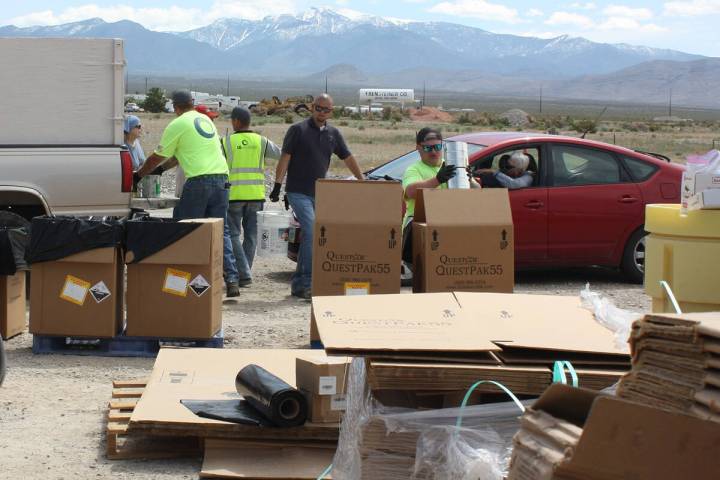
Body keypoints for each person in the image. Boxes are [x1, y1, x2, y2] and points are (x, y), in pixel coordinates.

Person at [135, 90, 241, 297]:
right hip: (221, 178)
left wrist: (139, 175)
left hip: (200, 180)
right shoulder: (204, 120)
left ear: (175, 107)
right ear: (191, 103)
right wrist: (162, 170)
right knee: (221, 230)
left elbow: (158, 156)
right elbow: (179, 155)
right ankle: (232, 279)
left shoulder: (178, 123)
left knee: (183, 228)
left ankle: (180, 279)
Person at [270, 93, 364, 299]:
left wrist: (362, 181)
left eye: (326, 110)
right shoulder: (297, 130)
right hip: (298, 191)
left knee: (320, 235)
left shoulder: (333, 134)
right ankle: (302, 283)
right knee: (312, 231)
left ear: (332, 111)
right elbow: (285, 158)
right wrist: (277, 186)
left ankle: (313, 281)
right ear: (312, 108)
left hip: (321, 193)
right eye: (319, 108)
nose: (322, 113)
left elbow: (348, 157)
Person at [221, 106, 281, 287]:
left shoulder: (225, 142)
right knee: (251, 236)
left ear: (237, 122)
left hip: (234, 195)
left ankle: (244, 273)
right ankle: (245, 273)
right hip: (256, 196)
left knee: (232, 234)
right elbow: (282, 154)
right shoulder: (261, 141)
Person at [400, 127, 457, 263]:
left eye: (437, 147)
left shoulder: (450, 167)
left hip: (447, 229)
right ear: (418, 148)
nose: (433, 151)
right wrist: (437, 180)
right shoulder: (413, 169)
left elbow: (476, 191)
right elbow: (411, 191)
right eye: (428, 148)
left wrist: (470, 179)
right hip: (419, 232)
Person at [175, 105, 220, 198]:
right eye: (209, 119)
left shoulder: (215, 138)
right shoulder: (188, 138)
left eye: (212, 120)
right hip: (190, 190)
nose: (211, 123)